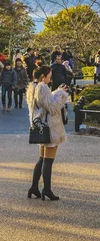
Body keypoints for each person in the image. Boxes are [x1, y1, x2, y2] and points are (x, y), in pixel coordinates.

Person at [26, 66, 70, 200]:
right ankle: (47, 190)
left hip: (41, 127)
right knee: (48, 161)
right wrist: (61, 93)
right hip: (49, 128)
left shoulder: (33, 87)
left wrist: (57, 91)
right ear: (43, 76)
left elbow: (46, 101)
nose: (50, 79)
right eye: (49, 76)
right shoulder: (42, 87)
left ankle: (34, 187)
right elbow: (51, 107)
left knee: (41, 159)